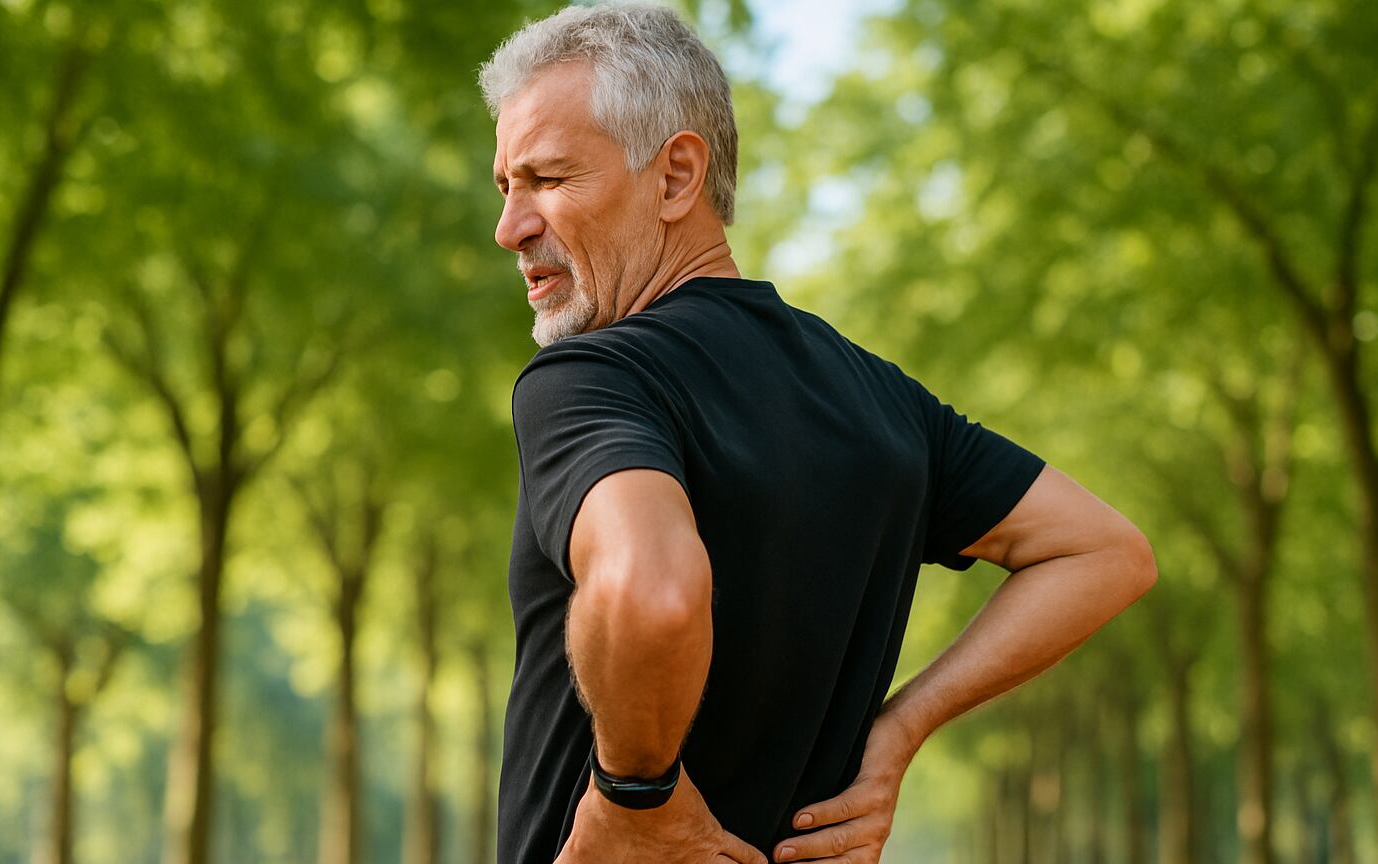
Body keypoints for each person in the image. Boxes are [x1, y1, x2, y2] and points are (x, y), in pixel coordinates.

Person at [480, 5, 1157, 863]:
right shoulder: (881, 399)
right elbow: (1103, 550)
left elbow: (651, 593)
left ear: (677, 176)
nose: (511, 228)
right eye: (506, 188)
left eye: (547, 179)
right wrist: (902, 729)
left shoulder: (592, 380)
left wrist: (637, 798)